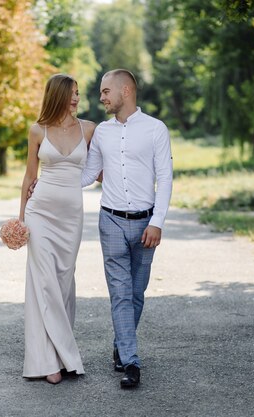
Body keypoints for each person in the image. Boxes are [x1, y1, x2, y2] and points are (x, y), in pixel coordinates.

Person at [80, 69, 173, 388]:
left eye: (106, 91)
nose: (101, 97)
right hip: (111, 222)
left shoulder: (155, 129)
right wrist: (52, 182)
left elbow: (165, 177)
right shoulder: (102, 133)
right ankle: (131, 363)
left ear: (126, 91)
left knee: (136, 293)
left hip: (146, 224)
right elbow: (88, 174)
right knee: (120, 293)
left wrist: (158, 222)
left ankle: (122, 344)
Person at [18, 74, 95, 384]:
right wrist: (20, 221)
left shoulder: (89, 130)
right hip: (40, 213)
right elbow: (28, 177)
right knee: (44, 283)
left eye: (78, 93)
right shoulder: (38, 130)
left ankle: (59, 355)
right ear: (57, 96)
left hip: (71, 217)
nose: (76, 98)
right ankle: (48, 361)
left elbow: (101, 169)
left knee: (63, 282)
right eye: (71, 94)